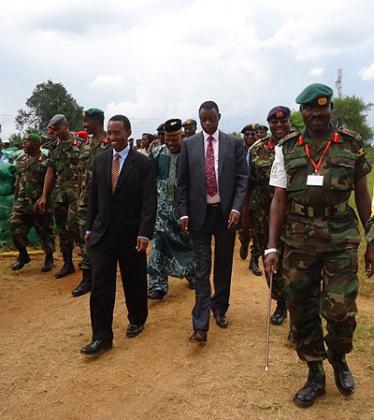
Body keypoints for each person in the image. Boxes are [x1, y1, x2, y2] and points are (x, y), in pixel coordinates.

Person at [264, 83, 372, 408]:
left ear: (331, 109)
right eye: (310, 109)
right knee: (301, 307)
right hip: (298, 239)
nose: (316, 114)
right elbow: (279, 200)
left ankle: (338, 356)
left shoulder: (351, 145)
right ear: (302, 113)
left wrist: (371, 237)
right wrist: (271, 246)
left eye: (322, 108)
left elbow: (363, 194)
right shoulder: (286, 148)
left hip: (340, 237)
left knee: (340, 311)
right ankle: (314, 372)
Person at [80, 114, 156, 355]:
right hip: (102, 234)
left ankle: (137, 317)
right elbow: (94, 196)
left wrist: (144, 233)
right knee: (101, 285)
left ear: (128, 133)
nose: (113, 137)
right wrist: (90, 227)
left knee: (133, 279)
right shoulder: (100, 160)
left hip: (131, 233)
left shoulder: (142, 164)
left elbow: (148, 201)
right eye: (110, 133)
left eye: (117, 133)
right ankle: (101, 337)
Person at [176, 101, 248, 343]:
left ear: (219, 117)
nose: (207, 124)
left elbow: (242, 179)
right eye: (203, 119)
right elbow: (182, 184)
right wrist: (183, 213)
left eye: (211, 119)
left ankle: (220, 308)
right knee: (202, 268)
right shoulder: (189, 145)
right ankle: (200, 325)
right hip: (199, 215)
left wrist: (237, 207)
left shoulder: (234, 144)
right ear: (199, 118)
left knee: (223, 264)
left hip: (226, 215)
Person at [250, 107, 292, 326]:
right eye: (274, 123)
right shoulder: (257, 150)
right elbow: (247, 183)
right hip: (263, 216)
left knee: (294, 263)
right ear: (269, 124)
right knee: (270, 261)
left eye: (283, 122)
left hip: (294, 216)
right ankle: (280, 302)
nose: (279, 126)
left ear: (289, 122)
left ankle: (296, 307)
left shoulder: (300, 145)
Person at [148, 119, 197, 299]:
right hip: (162, 209)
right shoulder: (156, 153)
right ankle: (157, 285)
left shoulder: (191, 155)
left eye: (174, 139)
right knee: (159, 244)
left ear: (181, 137)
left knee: (187, 244)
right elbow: (149, 181)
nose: (170, 143)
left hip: (184, 210)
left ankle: (192, 274)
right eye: (167, 139)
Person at [38, 114, 81, 278]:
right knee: (62, 229)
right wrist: (44, 196)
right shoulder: (52, 147)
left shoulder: (81, 145)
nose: (54, 132)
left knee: (74, 226)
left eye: (57, 128)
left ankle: (88, 262)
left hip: (76, 195)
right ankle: (68, 263)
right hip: (59, 196)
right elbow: (50, 171)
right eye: (52, 129)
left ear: (66, 126)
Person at [72, 108, 109, 297]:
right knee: (83, 234)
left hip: (104, 201)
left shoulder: (109, 143)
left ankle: (101, 272)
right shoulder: (85, 144)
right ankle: (88, 277)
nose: (85, 125)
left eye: (88, 121)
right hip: (85, 200)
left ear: (98, 120)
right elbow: (80, 172)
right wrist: (79, 194)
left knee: (103, 236)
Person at [10, 133, 55, 272]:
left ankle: (49, 257)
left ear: (36, 144)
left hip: (38, 203)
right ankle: (23, 255)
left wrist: (45, 198)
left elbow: (51, 183)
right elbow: (18, 180)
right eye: (23, 142)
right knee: (14, 225)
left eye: (27, 142)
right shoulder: (21, 159)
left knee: (45, 231)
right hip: (22, 202)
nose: (24, 144)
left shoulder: (46, 161)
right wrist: (16, 198)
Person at [238, 123, 262, 275]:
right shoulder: (239, 151)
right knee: (243, 226)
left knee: (258, 229)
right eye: (247, 134)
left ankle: (254, 260)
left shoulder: (263, 152)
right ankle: (244, 241)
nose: (250, 137)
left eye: (253, 134)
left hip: (257, 196)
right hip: (242, 196)